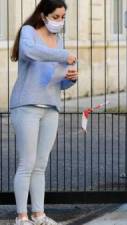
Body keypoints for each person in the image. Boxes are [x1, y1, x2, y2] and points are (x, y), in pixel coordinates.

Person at [10, 0, 78, 224]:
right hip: (27, 106)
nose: (60, 21)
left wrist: (70, 79)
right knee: (26, 163)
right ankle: (22, 217)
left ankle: (39, 215)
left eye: (63, 17)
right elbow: (30, 52)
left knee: (41, 165)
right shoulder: (28, 32)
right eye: (56, 16)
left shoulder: (58, 40)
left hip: (51, 106)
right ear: (43, 15)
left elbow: (57, 81)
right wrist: (62, 56)